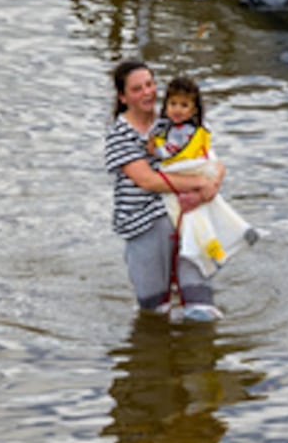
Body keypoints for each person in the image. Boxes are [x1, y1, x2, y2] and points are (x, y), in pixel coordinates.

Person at [105, 60, 224, 321]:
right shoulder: (119, 135)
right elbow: (148, 180)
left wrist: (210, 187)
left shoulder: (173, 118)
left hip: (185, 217)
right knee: (153, 311)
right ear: (123, 97)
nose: (147, 92)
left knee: (200, 305)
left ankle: (201, 357)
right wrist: (198, 183)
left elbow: (213, 163)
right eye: (137, 89)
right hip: (143, 225)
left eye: (150, 84)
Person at [149, 76, 259, 277]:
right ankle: (240, 230)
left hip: (186, 172)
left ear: (193, 109)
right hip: (200, 172)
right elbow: (212, 157)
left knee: (188, 216)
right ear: (165, 106)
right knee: (213, 206)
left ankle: (210, 249)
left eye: (184, 105)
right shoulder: (196, 129)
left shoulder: (180, 132)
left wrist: (151, 149)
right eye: (173, 104)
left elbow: (169, 151)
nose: (177, 109)